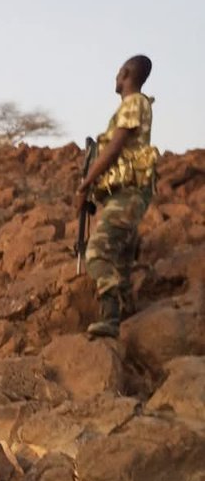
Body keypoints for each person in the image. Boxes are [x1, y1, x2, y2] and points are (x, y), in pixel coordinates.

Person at [77, 55, 159, 338]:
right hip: (125, 194)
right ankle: (127, 321)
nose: (115, 78)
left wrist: (85, 184)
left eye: (118, 73)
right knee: (121, 261)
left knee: (97, 252)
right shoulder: (135, 104)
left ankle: (109, 316)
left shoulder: (134, 102)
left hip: (129, 194)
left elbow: (114, 148)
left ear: (125, 74)